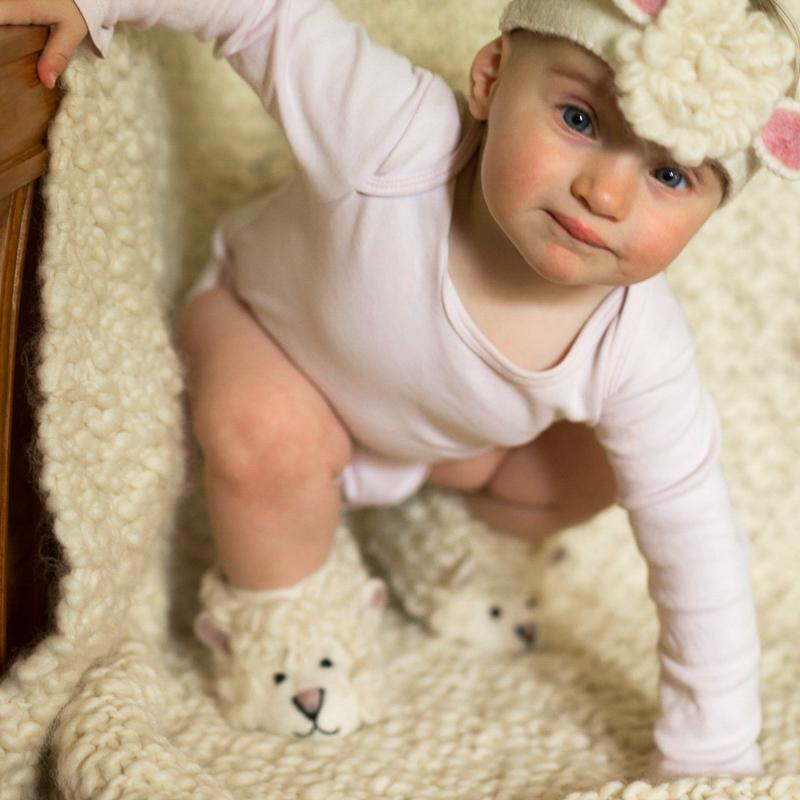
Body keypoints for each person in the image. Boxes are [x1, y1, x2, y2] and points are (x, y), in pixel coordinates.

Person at [3, 0, 800, 782]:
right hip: (275, 344)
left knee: (614, 469)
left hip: (438, 447)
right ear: (490, 79)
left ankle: (448, 537)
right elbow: (262, 17)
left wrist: (711, 751)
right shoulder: (395, 135)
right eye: (580, 121)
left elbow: (698, 545)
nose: (606, 195)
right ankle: (291, 613)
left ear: (712, 209)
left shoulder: (641, 344)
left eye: (668, 174)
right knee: (269, 427)